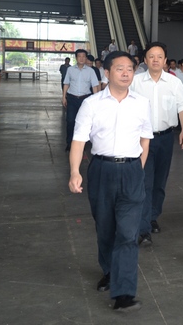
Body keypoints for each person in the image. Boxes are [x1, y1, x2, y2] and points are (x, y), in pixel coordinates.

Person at [68, 50, 153, 313]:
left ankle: (124, 293)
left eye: (130, 69)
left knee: (128, 234)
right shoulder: (92, 104)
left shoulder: (141, 103)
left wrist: (138, 168)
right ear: (106, 72)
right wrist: (75, 172)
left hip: (131, 171)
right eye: (119, 68)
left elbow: (145, 139)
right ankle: (109, 271)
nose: (126, 73)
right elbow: (78, 140)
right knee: (105, 228)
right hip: (102, 170)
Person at [130, 42, 183, 246]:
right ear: (145, 60)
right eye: (151, 56)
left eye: (159, 56)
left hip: (166, 138)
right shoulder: (136, 82)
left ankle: (152, 216)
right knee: (145, 181)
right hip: (142, 139)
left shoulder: (174, 82)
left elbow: (182, 108)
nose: (155, 60)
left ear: (165, 60)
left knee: (160, 181)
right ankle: (143, 229)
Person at [62, 49, 100, 152]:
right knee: (70, 121)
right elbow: (66, 83)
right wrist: (63, 97)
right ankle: (69, 143)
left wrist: (96, 100)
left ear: (86, 58)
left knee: (85, 122)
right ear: (76, 58)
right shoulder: (70, 70)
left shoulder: (91, 71)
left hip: (85, 99)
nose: (81, 58)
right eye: (79, 56)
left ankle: (83, 144)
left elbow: (95, 86)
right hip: (72, 98)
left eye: (84, 56)